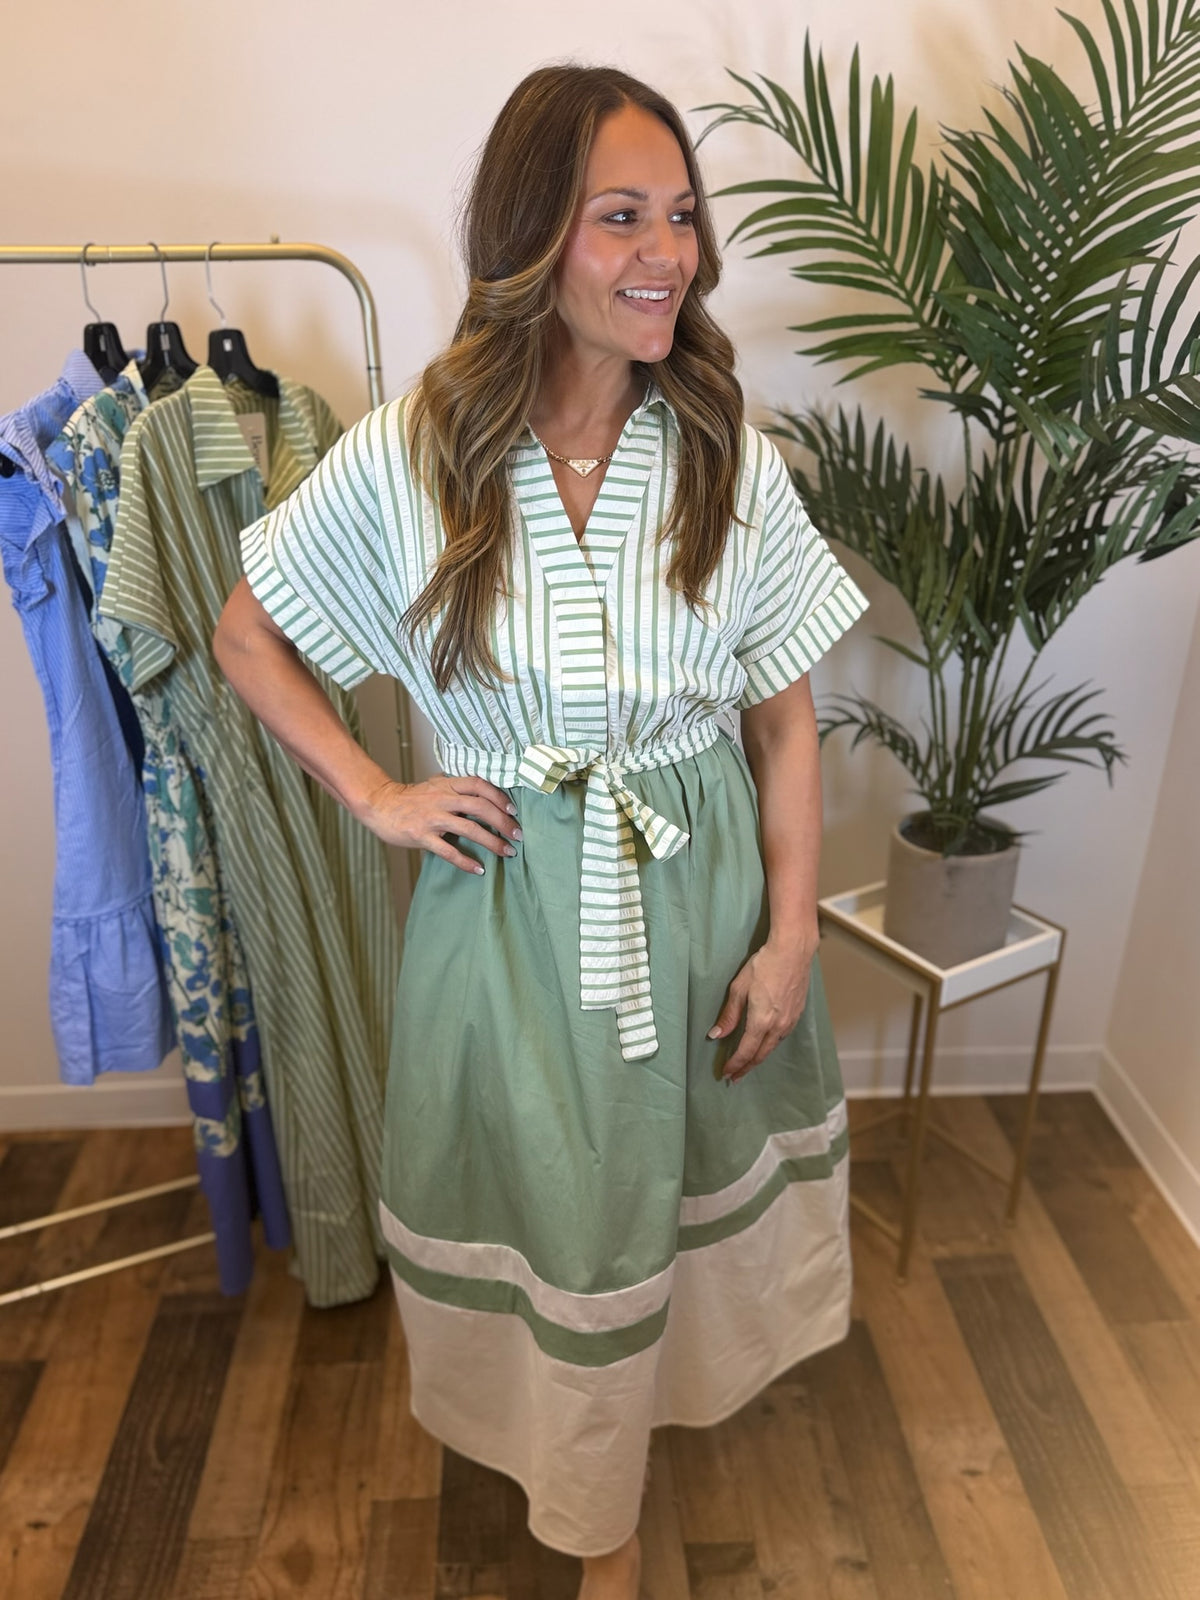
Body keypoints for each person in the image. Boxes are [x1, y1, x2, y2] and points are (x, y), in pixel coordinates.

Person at [214, 63, 868, 1598]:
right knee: (559, 1211)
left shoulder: (723, 451)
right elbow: (249, 635)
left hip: (697, 885)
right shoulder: (418, 449)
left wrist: (789, 934)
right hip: (510, 908)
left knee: (672, 1189)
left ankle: (619, 1493)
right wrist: (377, 793)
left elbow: (781, 718)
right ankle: (601, 1526)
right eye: (620, 218)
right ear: (530, 240)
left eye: (685, 218)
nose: (668, 256)